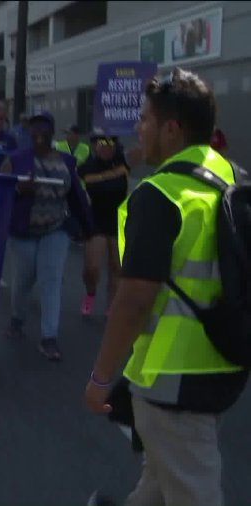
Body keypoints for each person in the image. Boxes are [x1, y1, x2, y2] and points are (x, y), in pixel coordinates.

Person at [85, 68, 249, 506]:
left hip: (170, 380)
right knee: (162, 482)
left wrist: (101, 378)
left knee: (190, 492)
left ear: (171, 129)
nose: (140, 127)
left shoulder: (159, 194)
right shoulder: (236, 180)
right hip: (226, 362)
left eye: (145, 119)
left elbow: (134, 299)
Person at [0, 111, 92, 361]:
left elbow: (77, 196)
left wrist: (87, 227)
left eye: (44, 133)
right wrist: (19, 188)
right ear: (30, 134)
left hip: (55, 230)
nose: (39, 138)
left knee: (51, 281)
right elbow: (0, 195)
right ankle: (17, 320)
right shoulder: (15, 160)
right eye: (35, 133)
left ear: (51, 134)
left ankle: (49, 338)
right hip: (23, 232)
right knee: (23, 281)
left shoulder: (66, 162)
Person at [78, 128, 130, 317]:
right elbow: (74, 187)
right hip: (96, 221)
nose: (107, 148)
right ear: (94, 146)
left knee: (116, 267)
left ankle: (111, 307)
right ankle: (90, 293)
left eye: (111, 144)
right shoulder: (86, 167)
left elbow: (147, 152)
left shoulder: (123, 162)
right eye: (102, 144)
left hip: (118, 221)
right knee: (92, 268)